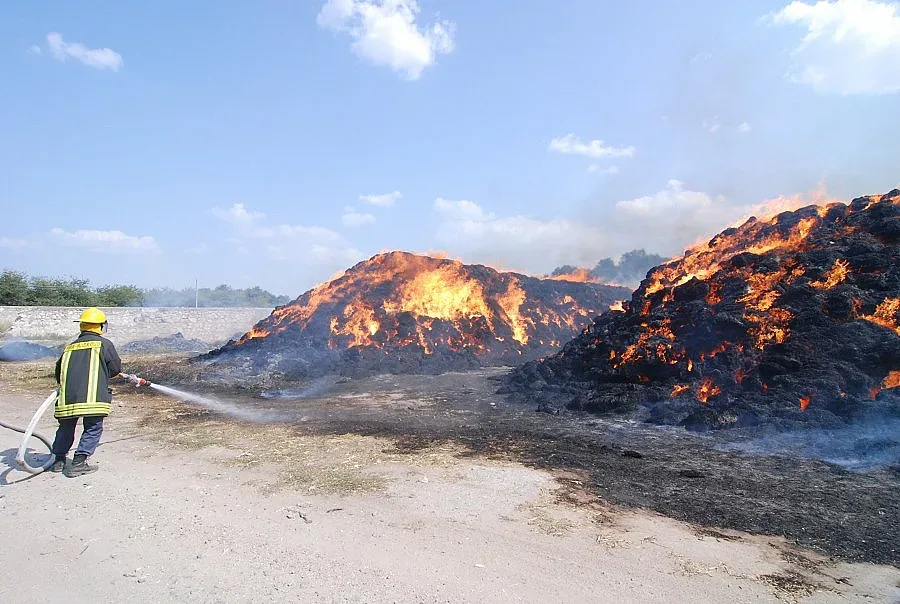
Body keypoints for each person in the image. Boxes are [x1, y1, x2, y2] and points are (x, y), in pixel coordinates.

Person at [50, 307, 122, 477]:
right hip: (93, 398)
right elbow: (115, 369)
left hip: (68, 399)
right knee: (93, 428)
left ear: (81, 325)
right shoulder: (104, 344)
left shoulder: (70, 347)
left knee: (66, 428)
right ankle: (79, 462)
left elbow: (58, 372)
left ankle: (58, 460)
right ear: (101, 326)